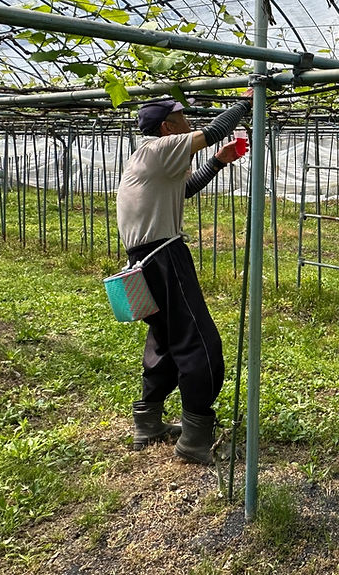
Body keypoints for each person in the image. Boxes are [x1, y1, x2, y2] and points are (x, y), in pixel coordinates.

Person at [116, 92, 251, 464]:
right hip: (164, 257)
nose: (187, 119)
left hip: (143, 260)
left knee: (165, 340)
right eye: (181, 115)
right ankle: (195, 439)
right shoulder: (156, 149)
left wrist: (218, 162)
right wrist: (247, 101)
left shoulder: (150, 161)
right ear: (168, 127)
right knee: (198, 342)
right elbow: (215, 129)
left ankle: (148, 422)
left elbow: (184, 191)